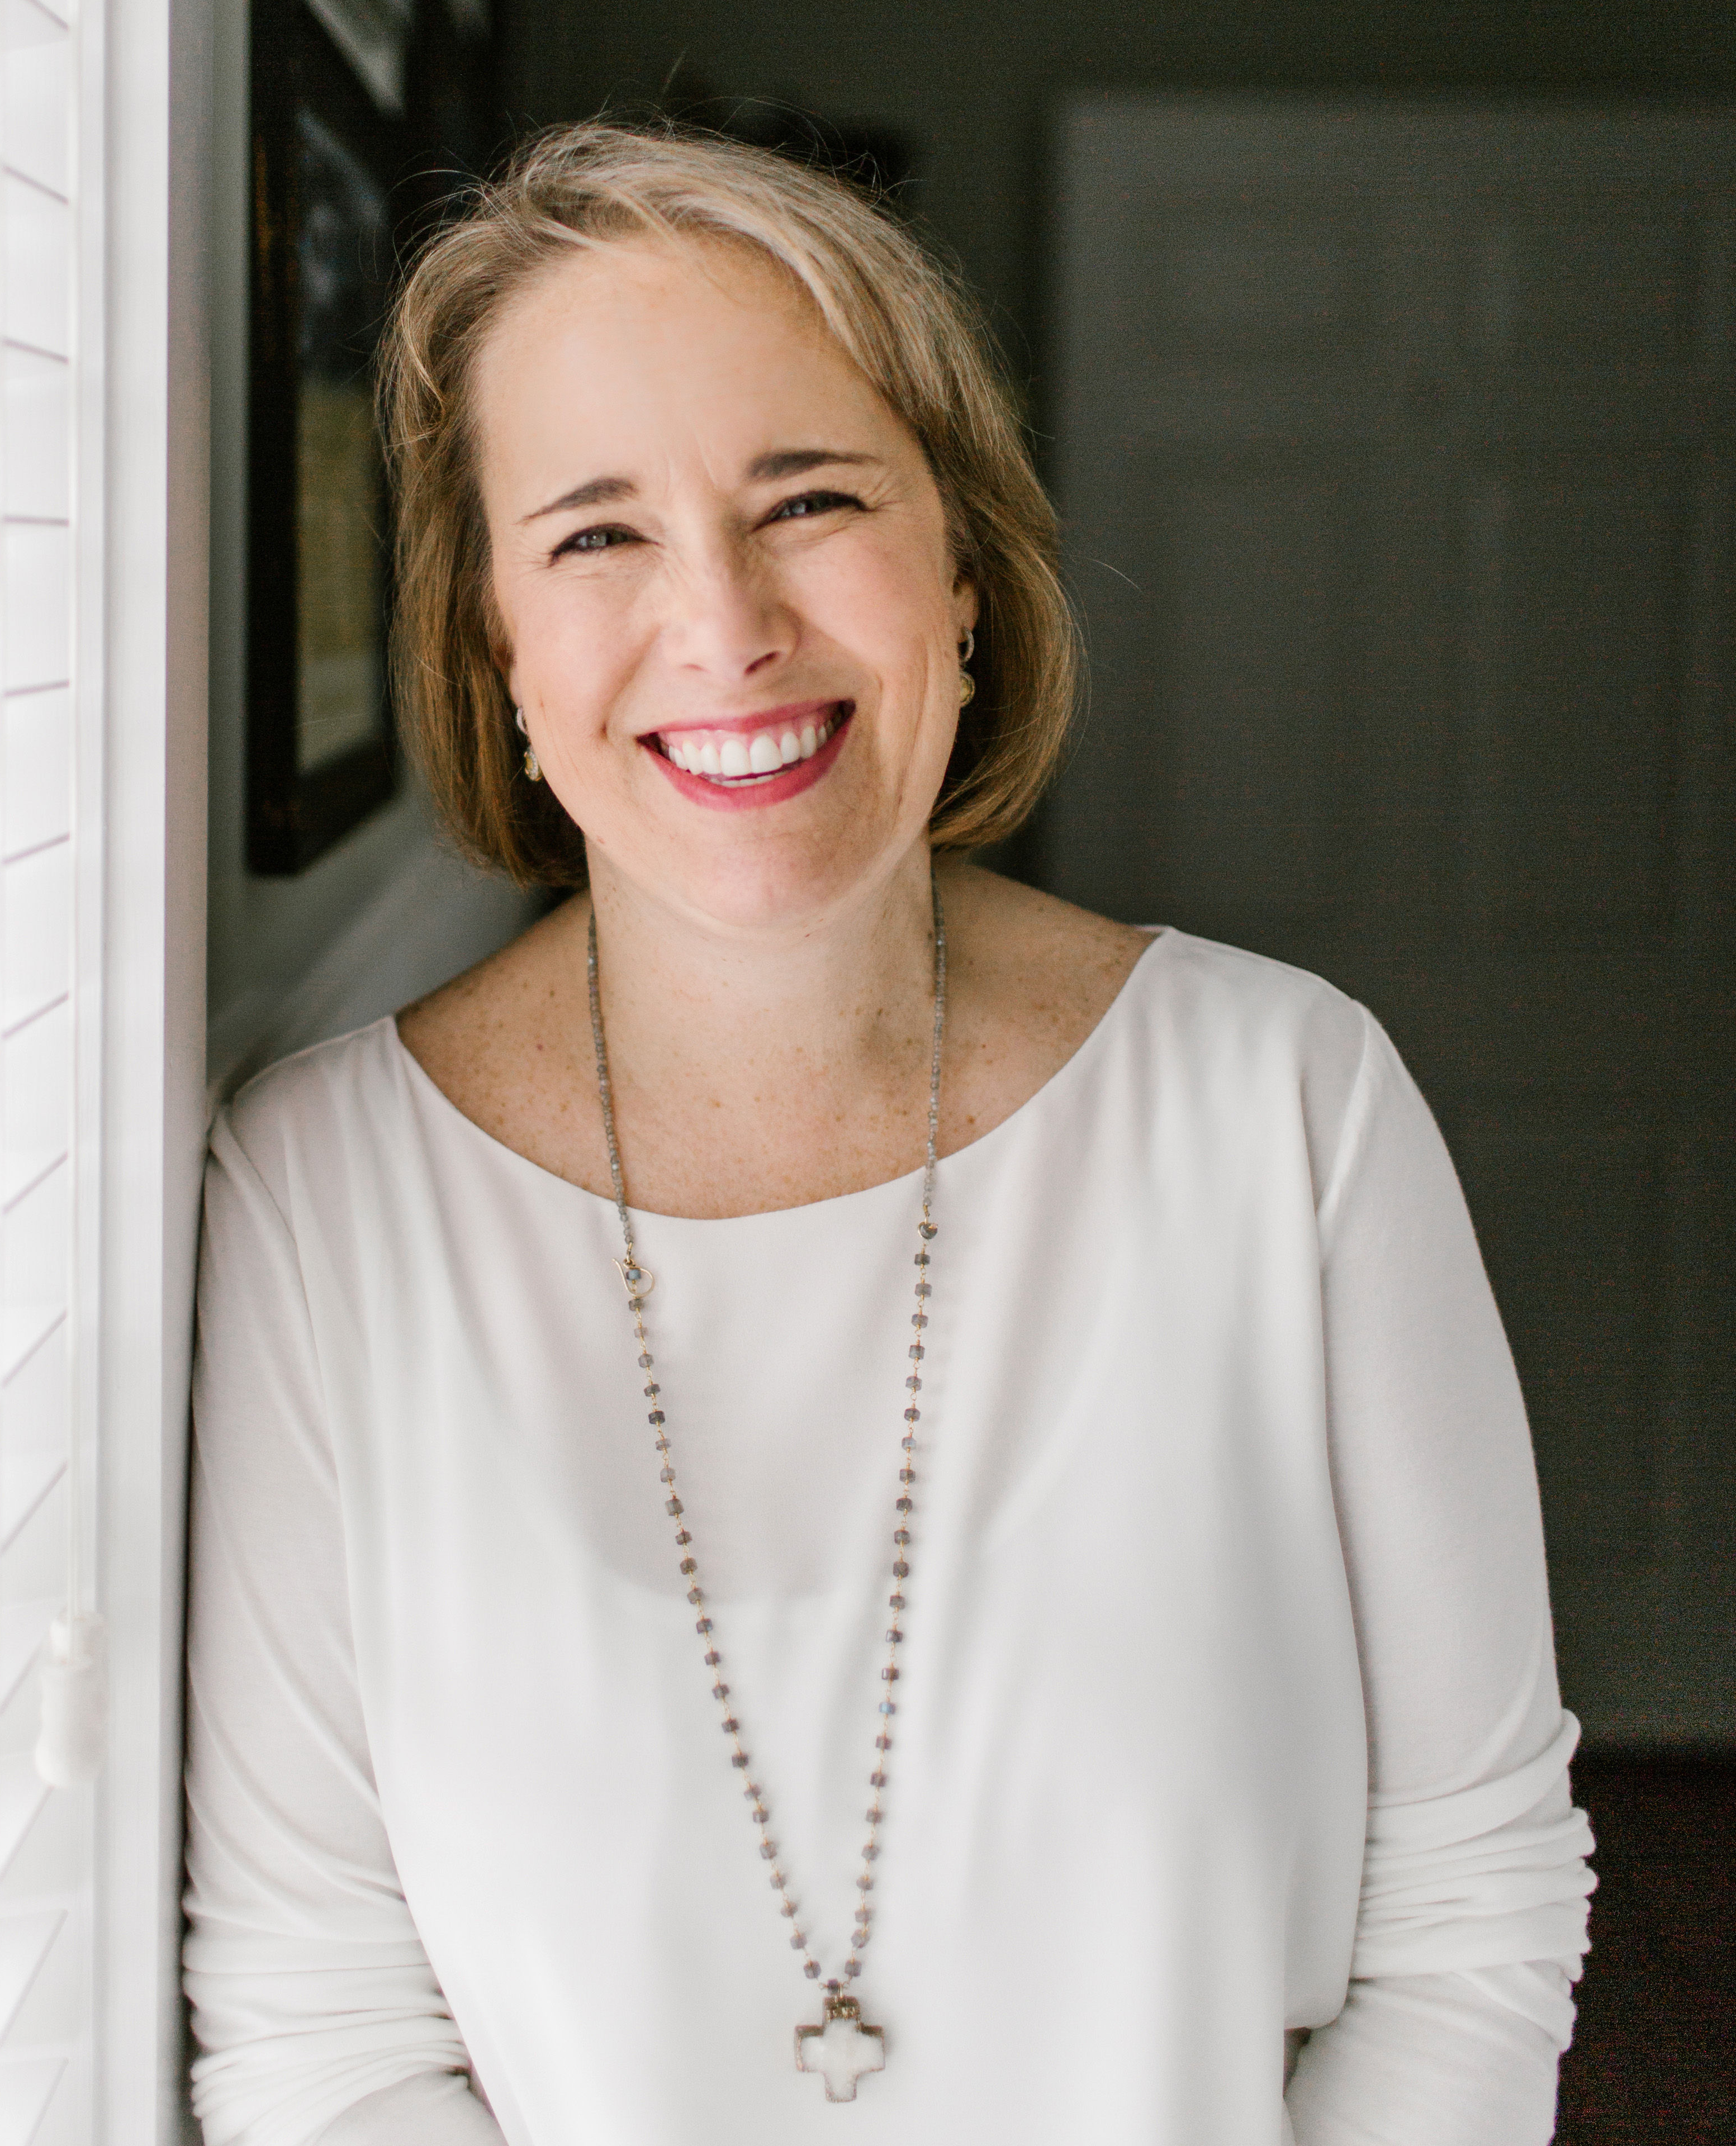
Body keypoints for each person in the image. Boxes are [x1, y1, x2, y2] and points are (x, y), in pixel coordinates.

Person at [183, 122, 1593, 2145]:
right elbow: (324, 2037)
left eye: (811, 497)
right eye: (596, 533)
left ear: (960, 561)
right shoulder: (316, 1208)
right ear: (493, 639)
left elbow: (1470, 1917)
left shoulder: (1289, 1109)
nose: (726, 623)